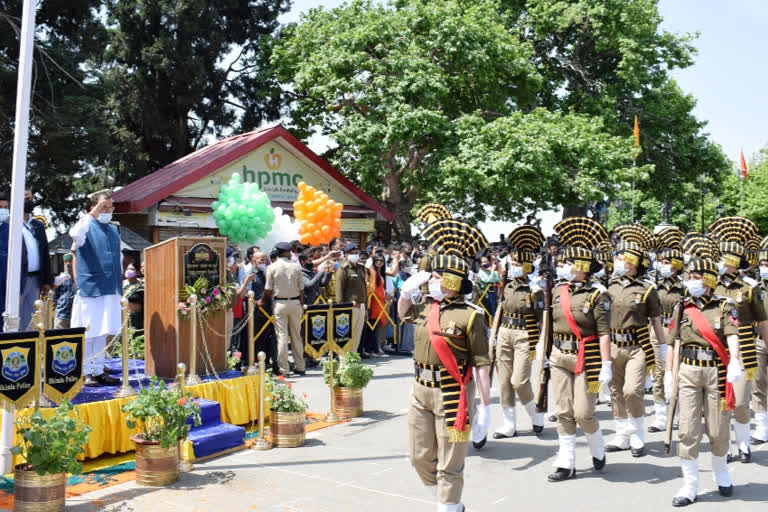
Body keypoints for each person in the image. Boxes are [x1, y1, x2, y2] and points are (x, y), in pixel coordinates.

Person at [398, 243, 491, 512]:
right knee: (419, 457)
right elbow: (402, 314)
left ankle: (448, 505)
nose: (432, 280)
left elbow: (482, 363)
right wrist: (406, 291)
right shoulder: (427, 308)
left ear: (452, 281)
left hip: (452, 392)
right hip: (420, 390)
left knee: (449, 462)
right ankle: (446, 501)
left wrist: (485, 405)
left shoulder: (471, 316)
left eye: (437, 277)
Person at [666, 252, 741, 507]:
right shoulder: (682, 306)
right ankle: (689, 484)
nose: (691, 281)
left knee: (718, 428)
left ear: (709, 279)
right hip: (687, 370)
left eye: (696, 277)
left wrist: (736, 362)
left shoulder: (724, 305)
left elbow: (732, 335)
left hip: (716, 371)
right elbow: (673, 343)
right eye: (690, 276)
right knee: (687, 429)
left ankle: (721, 473)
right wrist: (668, 374)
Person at [546, 217, 612, 481]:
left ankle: (597, 444)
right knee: (564, 411)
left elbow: (604, 333)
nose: (564, 266)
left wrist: (606, 365)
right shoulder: (558, 291)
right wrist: (543, 355)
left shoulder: (598, 295)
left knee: (584, 412)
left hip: (588, 358)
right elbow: (547, 326)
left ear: (583, 267)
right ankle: (566, 462)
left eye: (569, 263)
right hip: (559, 355)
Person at [707, 216, 768, 463]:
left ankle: (743, 444)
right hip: (716, 351)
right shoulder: (711, 286)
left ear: (734, 261)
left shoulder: (749, 287)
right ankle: (727, 446)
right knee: (722, 403)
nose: (720, 262)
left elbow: (761, 321)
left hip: (744, 349)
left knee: (741, 401)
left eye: (725, 258)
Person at [604, 224, 666, 457]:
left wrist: (662, 348)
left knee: (632, 390)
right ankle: (622, 435)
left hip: (637, 346)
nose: (619, 261)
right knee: (615, 390)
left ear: (634, 263)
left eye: (623, 258)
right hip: (613, 345)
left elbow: (656, 321)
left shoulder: (647, 290)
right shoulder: (609, 286)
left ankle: (638, 434)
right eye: (618, 257)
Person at [491, 224, 546, 439]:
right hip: (505, 331)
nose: (512, 267)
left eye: (516, 264)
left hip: (525, 335)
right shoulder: (507, 285)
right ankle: (509, 424)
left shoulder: (535, 291)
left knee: (519, 381)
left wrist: (542, 344)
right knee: (504, 381)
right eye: (511, 263)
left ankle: (535, 413)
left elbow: (542, 321)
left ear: (526, 266)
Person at [69, 190, 121, 386]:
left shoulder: (113, 229)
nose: (108, 211)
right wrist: (93, 214)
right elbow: (74, 234)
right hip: (91, 288)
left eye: (110, 207)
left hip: (110, 288)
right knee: (89, 331)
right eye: (103, 207)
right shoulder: (86, 225)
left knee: (102, 331)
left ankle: (98, 370)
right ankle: (85, 372)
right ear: (93, 208)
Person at [647, 228, 685, 433]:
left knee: (677, 373)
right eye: (661, 262)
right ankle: (660, 415)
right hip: (658, 330)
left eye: (666, 262)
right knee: (658, 373)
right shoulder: (655, 286)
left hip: (678, 332)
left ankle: (677, 413)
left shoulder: (684, 287)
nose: (662, 266)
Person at [264, 242, 305, 376]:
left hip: (280, 303)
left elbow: (268, 289)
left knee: (282, 337)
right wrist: (301, 305)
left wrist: (263, 301)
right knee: (296, 336)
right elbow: (302, 290)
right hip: (295, 303)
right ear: (288, 253)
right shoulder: (296, 267)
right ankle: (300, 366)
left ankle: (284, 369)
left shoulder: (272, 267)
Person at [19, 189, 53, 330]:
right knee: (14, 318)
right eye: (26, 198)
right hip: (17, 280)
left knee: (30, 320)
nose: (29, 202)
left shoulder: (38, 225)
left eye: (30, 198)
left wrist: (46, 280)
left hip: (35, 280)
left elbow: (44, 252)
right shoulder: (10, 223)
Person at [335, 243, 368, 352]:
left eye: (356, 253)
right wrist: (341, 309)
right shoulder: (343, 269)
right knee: (345, 335)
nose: (354, 255)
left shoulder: (361, 268)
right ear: (345, 255)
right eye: (351, 253)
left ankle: (352, 359)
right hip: (349, 307)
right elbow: (339, 290)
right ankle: (343, 361)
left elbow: (364, 289)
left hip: (361, 306)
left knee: (356, 336)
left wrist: (366, 307)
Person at [753, 239, 768, 445]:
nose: (764, 268)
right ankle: (762, 427)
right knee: (758, 383)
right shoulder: (756, 288)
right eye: (763, 264)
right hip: (760, 341)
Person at [52, 253, 77, 329]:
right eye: (66, 261)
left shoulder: (79, 278)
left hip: (75, 316)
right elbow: (54, 297)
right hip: (61, 316)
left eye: (70, 261)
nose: (68, 264)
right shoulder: (60, 278)